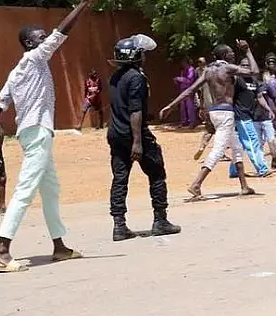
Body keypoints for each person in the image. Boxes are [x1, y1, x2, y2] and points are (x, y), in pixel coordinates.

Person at [0, 0, 105, 273]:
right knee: (26, 189)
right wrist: (85, 2)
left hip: (31, 133)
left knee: (50, 189)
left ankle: (59, 246)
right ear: (30, 43)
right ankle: (1, 248)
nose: (46, 41)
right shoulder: (34, 57)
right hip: (38, 131)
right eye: (40, 38)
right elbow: (61, 33)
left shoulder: (16, 72)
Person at [159, 41, 258, 200]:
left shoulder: (208, 71)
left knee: (236, 147)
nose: (233, 54)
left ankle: (244, 186)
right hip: (226, 113)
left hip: (215, 112)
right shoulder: (228, 69)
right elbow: (254, 71)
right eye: (231, 52)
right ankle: (196, 184)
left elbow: (190, 90)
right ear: (225, 55)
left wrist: (171, 106)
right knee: (218, 150)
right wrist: (247, 50)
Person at [106, 35, 181, 241]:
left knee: (119, 179)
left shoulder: (115, 77)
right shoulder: (136, 77)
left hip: (115, 133)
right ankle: (160, 220)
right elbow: (135, 110)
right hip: (134, 134)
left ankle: (119, 226)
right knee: (157, 173)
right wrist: (138, 142)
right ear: (137, 56)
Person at [232, 57, 272, 178]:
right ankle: (262, 168)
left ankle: (234, 170)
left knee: (240, 144)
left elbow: (259, 97)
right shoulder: (236, 80)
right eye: (243, 65)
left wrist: (268, 108)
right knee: (253, 141)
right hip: (241, 115)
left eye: (248, 66)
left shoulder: (254, 80)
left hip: (248, 115)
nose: (245, 68)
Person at [174, 60, 197, 127]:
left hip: (189, 90)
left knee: (190, 106)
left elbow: (189, 80)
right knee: (182, 107)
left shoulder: (191, 69)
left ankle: (192, 122)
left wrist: (178, 79)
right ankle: (184, 121)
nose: (182, 64)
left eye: (184, 62)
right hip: (182, 90)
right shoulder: (183, 70)